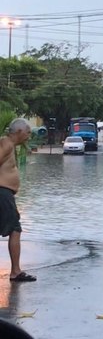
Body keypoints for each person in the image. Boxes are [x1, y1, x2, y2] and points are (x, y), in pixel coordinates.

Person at [0, 118, 37, 282]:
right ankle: (15, 271)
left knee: (14, 227)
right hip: (3, 193)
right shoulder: (6, 144)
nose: (29, 136)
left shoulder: (9, 145)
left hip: (5, 194)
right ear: (19, 131)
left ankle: (15, 270)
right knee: (15, 229)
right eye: (28, 132)